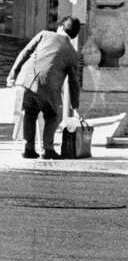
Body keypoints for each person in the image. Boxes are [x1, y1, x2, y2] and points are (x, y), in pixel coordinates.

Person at [6, 17, 82, 159]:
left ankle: (28, 148)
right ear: (74, 35)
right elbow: (73, 82)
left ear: (60, 27)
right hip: (48, 87)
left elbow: (25, 53)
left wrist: (12, 74)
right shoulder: (72, 53)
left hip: (26, 81)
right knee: (52, 116)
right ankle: (48, 149)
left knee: (30, 112)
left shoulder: (44, 34)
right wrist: (75, 105)